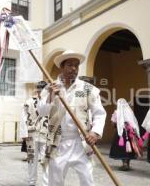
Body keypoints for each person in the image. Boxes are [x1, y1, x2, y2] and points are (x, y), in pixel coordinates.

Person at [38, 50, 107, 186]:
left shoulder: (87, 89)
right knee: (55, 181)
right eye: (70, 65)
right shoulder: (49, 88)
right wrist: (51, 95)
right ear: (61, 67)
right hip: (58, 143)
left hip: (81, 142)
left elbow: (99, 113)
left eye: (76, 65)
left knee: (87, 180)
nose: (74, 68)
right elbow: (41, 112)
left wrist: (95, 132)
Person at [20, 81, 49, 186]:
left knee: (46, 160)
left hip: (46, 134)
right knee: (32, 159)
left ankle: (46, 183)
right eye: (39, 89)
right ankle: (31, 181)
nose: (40, 91)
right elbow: (23, 117)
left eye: (43, 89)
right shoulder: (29, 101)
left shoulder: (51, 103)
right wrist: (23, 133)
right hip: (31, 134)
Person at [109, 98, 143, 171]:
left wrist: (117, 124)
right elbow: (134, 123)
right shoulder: (129, 112)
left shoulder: (116, 112)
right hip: (130, 133)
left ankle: (124, 164)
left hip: (120, 133)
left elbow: (113, 123)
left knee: (122, 148)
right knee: (130, 147)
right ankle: (127, 163)